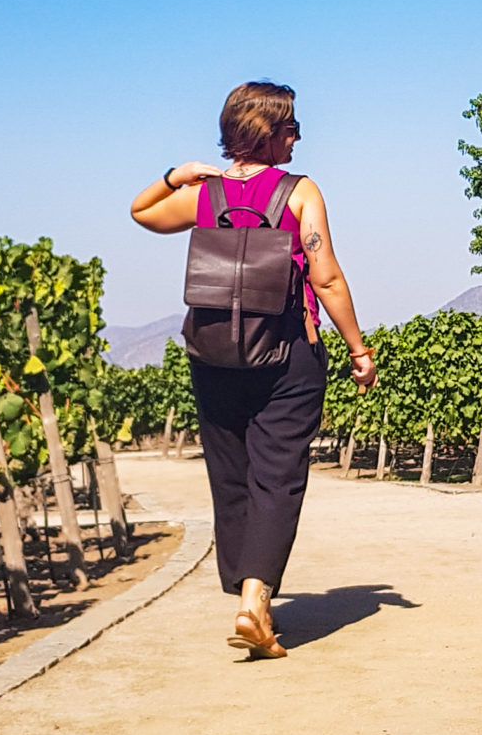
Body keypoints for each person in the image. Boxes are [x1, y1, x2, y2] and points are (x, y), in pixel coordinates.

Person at [131, 80, 373, 659]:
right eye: (290, 126)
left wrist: (177, 175)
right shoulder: (299, 192)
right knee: (278, 474)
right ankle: (255, 601)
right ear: (267, 132)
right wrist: (358, 349)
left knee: (231, 475)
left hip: (213, 354)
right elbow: (326, 275)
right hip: (288, 351)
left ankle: (245, 590)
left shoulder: (204, 195)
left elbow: (141, 213)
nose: (298, 135)